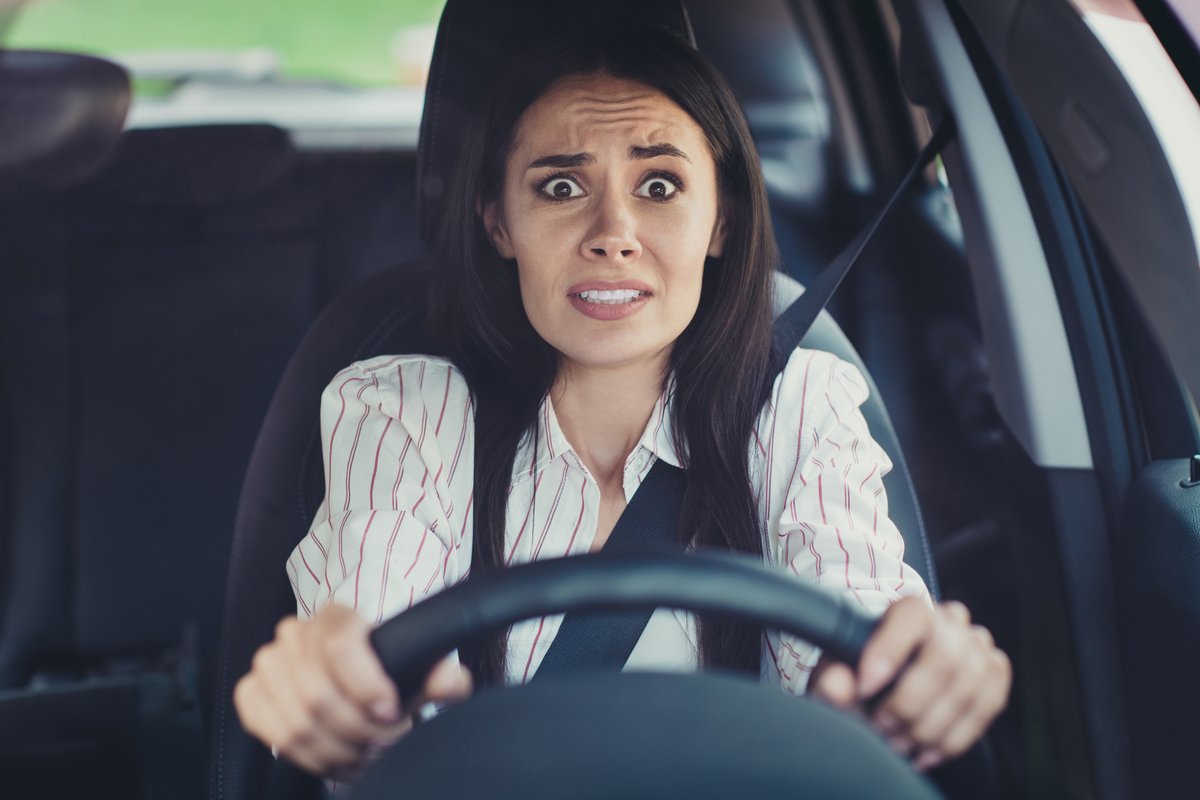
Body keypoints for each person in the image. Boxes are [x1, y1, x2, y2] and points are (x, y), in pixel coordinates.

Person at [233, 26, 1011, 782]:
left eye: (661, 185)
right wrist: (336, 693)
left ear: (723, 218)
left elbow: (858, 626)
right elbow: (368, 658)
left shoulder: (800, 405)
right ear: (499, 221)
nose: (614, 233)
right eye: (562, 186)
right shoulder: (405, 410)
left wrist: (911, 679)